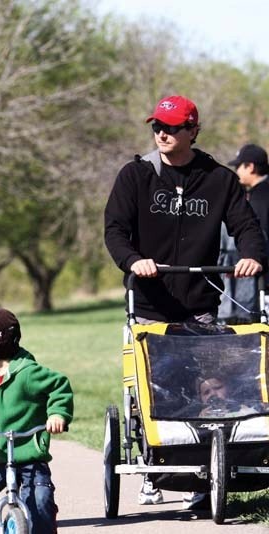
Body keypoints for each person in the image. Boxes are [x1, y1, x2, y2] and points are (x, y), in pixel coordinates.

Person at [104, 95, 267, 507]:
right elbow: (115, 230)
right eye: (157, 125)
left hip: (198, 304)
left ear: (193, 130)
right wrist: (134, 260)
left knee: (205, 390)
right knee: (153, 391)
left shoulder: (220, 180)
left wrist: (251, 256)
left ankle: (206, 474)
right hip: (148, 304)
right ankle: (153, 466)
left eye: (173, 126)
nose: (162, 133)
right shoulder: (135, 175)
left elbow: (246, 227)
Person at [0, 308, 73, 534]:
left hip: (29, 455)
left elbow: (59, 387)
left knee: (40, 501)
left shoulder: (29, 373)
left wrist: (58, 414)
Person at [219, 143, 269, 322]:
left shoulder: (260, 196)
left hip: (264, 284)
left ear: (251, 167)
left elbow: (260, 236)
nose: (237, 172)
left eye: (239, 166)